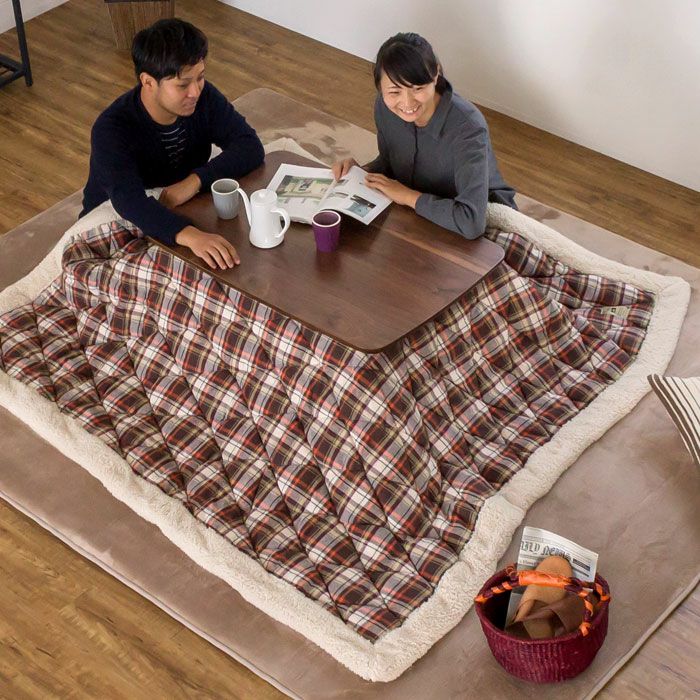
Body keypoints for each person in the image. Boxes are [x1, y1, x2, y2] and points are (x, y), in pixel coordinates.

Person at [80, 18, 264, 270]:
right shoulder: (111, 129)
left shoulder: (203, 97)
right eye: (183, 84)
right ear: (147, 82)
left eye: (200, 77)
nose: (195, 92)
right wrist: (191, 236)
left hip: (181, 207)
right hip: (115, 220)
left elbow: (250, 146)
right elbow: (129, 202)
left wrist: (195, 181)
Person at [333, 33, 516, 239]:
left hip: (479, 221)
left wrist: (407, 196)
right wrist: (359, 173)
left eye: (418, 88)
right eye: (394, 92)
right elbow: (390, 162)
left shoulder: (468, 127)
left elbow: (471, 222)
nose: (407, 103)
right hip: (420, 208)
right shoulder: (384, 107)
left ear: (435, 74)